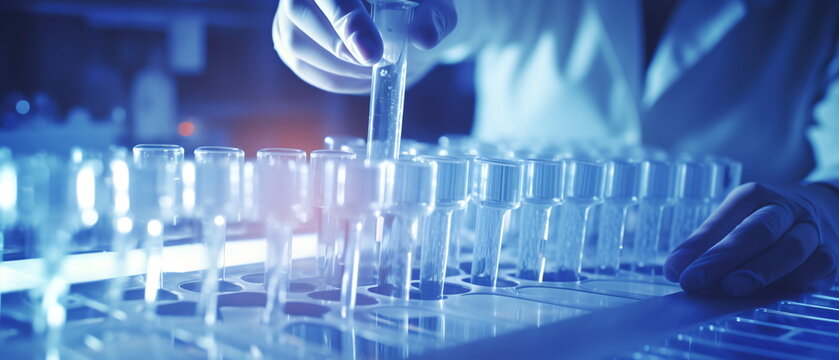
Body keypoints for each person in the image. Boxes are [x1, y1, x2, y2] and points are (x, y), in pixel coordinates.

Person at [272, 0, 839, 296]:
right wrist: (372, 19)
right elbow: (445, 17)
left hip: (721, 281)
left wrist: (822, 209)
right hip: (493, 272)